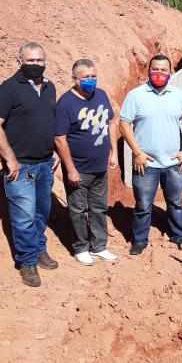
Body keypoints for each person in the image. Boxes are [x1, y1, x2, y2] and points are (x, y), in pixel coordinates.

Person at [0, 41, 59, 287]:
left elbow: (49, 122)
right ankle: (27, 261)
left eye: (39, 61)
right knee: (23, 216)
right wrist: (10, 159)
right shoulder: (7, 89)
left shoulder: (49, 88)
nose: (36, 65)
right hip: (22, 168)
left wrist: (55, 152)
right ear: (20, 62)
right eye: (30, 61)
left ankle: (39, 249)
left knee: (40, 212)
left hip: (45, 164)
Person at [119, 54, 182, 255]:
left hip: (174, 163)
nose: (159, 73)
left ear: (170, 72)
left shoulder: (179, 95)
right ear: (148, 71)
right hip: (146, 163)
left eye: (163, 70)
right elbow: (124, 124)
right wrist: (137, 152)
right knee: (142, 205)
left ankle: (179, 235)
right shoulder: (136, 95)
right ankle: (139, 239)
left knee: (175, 203)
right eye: (155, 69)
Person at [55, 59, 119, 266]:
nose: (91, 80)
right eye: (85, 77)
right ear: (74, 79)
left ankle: (99, 246)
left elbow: (110, 122)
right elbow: (60, 139)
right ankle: (81, 247)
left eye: (93, 76)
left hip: (101, 166)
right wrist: (70, 169)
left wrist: (114, 152)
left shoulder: (100, 95)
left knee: (99, 208)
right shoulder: (66, 104)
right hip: (79, 169)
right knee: (78, 210)